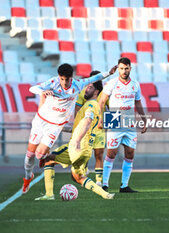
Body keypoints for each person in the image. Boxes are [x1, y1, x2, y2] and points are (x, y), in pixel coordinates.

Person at [22, 63, 117, 194]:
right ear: (59, 77)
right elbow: (33, 88)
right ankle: (28, 177)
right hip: (41, 121)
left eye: (67, 79)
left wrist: (109, 73)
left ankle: (44, 158)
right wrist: (42, 91)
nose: (65, 82)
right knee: (30, 155)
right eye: (62, 79)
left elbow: (94, 78)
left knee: (39, 154)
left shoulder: (77, 84)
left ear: (71, 78)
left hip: (55, 126)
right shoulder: (53, 83)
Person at [36, 81, 115, 200]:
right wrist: (60, 127)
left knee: (48, 160)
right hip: (86, 149)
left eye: (90, 87)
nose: (86, 89)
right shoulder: (93, 105)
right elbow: (79, 127)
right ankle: (106, 195)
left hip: (78, 145)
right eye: (87, 87)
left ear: (96, 92)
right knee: (77, 177)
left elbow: (87, 121)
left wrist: (76, 141)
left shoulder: (91, 105)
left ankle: (49, 194)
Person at [98, 57, 147, 193]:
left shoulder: (135, 84)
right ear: (118, 69)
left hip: (130, 120)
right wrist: (101, 119)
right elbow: (102, 102)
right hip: (114, 117)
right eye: (121, 68)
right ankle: (105, 184)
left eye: (126, 68)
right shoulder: (112, 83)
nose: (124, 71)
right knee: (111, 152)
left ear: (130, 68)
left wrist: (144, 119)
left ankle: (124, 186)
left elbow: (138, 103)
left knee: (130, 153)